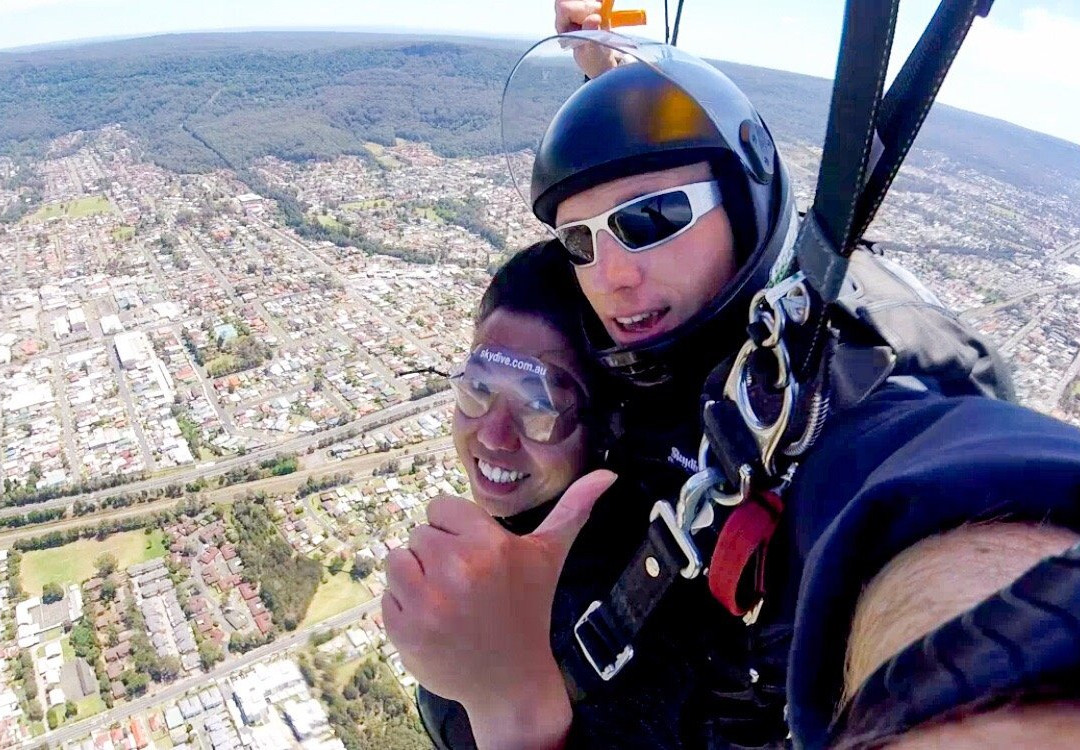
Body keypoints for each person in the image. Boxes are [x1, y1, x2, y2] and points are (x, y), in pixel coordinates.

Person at [391, 15, 1080, 750]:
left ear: (744, 202)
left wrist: (513, 710)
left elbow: (927, 490)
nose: (613, 277)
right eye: (579, 242)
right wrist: (606, 73)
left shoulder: (820, 393)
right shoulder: (675, 342)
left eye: (652, 218)